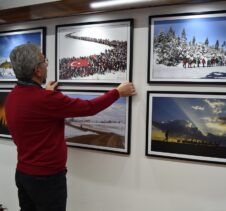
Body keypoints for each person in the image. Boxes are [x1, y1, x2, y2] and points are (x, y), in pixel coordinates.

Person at [5, 43, 136, 211]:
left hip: (23, 174)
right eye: (44, 61)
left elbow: (34, 111)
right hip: (47, 179)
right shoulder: (46, 100)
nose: (47, 65)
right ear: (37, 71)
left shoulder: (13, 96)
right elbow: (89, 107)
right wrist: (118, 92)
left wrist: (46, 92)